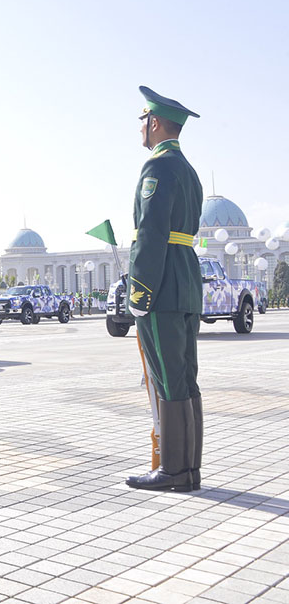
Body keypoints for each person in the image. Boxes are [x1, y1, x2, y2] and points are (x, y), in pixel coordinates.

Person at [125, 86, 204, 493]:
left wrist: (138, 294)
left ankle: (173, 471)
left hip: (163, 288)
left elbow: (151, 235)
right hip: (186, 284)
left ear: (154, 123)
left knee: (168, 379)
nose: (140, 127)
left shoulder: (157, 169)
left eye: (143, 120)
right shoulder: (188, 171)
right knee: (185, 378)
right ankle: (188, 470)